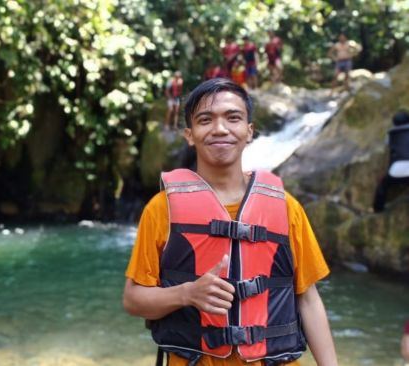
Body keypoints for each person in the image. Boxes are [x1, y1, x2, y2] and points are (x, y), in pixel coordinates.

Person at [123, 78, 338, 366]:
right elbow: (133, 299)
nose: (220, 129)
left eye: (233, 118)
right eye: (205, 120)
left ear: (249, 132)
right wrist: (187, 293)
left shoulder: (287, 208)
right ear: (189, 134)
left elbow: (308, 300)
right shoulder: (162, 209)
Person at [373, 110, 409, 212]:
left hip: (396, 172)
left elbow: (389, 146)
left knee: (383, 186)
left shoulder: (391, 134)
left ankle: (377, 210)